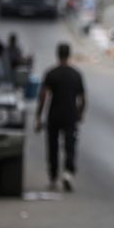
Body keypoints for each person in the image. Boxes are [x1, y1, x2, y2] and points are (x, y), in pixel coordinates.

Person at [35, 43, 86, 192]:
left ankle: (53, 176)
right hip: (70, 115)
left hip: (54, 115)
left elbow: (43, 96)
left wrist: (38, 116)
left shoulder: (52, 73)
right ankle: (68, 173)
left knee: (53, 146)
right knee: (70, 144)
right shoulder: (76, 75)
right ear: (69, 54)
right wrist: (80, 113)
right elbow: (82, 99)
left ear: (58, 54)